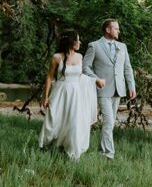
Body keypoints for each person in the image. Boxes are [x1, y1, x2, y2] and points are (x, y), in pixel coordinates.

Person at [39, 30, 105, 159]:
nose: (80, 42)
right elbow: (49, 78)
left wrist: (94, 80)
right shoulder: (56, 57)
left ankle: (72, 150)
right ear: (70, 41)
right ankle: (48, 146)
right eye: (77, 39)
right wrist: (45, 97)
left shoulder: (80, 57)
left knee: (73, 121)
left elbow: (81, 76)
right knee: (54, 120)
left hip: (75, 93)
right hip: (60, 92)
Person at [83, 19, 136, 160]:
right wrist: (96, 79)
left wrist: (131, 86)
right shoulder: (94, 46)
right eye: (116, 28)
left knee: (110, 123)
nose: (119, 31)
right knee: (108, 121)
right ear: (108, 30)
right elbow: (85, 67)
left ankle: (102, 151)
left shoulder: (122, 47)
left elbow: (127, 68)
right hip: (102, 89)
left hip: (118, 89)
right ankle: (109, 155)